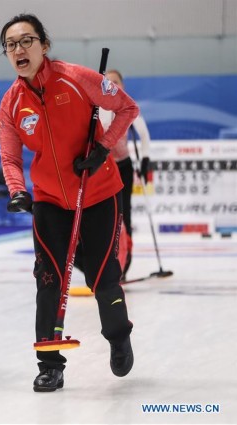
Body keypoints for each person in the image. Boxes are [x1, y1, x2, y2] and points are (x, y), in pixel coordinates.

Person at [0, 14, 138, 392]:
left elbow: (128, 108)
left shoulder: (78, 78)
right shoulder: (11, 103)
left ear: (44, 44)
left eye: (27, 40)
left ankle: (118, 335)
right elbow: (10, 157)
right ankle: (49, 362)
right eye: (11, 45)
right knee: (48, 279)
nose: (19, 49)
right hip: (48, 201)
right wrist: (17, 190)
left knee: (103, 276)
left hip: (97, 193)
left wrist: (103, 147)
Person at [99, 70, 151, 280]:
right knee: (104, 216)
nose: (113, 85)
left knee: (124, 214)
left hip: (124, 167)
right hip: (102, 168)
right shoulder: (99, 107)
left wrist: (145, 159)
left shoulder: (128, 106)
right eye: (108, 82)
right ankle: (104, 265)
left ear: (123, 85)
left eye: (116, 82)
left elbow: (144, 135)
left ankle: (124, 265)